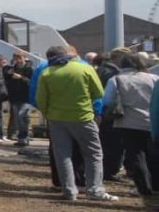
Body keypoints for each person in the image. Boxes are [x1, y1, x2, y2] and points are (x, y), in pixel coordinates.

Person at [36, 45, 116, 201]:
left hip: (56, 119)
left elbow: (41, 100)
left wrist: (48, 114)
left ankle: (69, 191)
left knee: (63, 155)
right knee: (93, 154)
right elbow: (99, 93)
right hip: (83, 117)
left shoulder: (46, 73)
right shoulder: (85, 69)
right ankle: (95, 190)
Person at [101, 53, 157, 197]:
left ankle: (143, 187)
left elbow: (107, 101)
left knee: (136, 154)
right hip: (152, 121)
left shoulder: (117, 79)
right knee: (152, 154)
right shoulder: (154, 78)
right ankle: (155, 184)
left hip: (128, 122)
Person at [96, 47, 129, 180]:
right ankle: (109, 171)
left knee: (105, 143)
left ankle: (105, 170)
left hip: (102, 112)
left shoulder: (101, 70)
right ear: (118, 58)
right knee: (114, 144)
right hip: (111, 113)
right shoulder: (112, 73)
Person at [4, 52, 34, 146]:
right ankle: (22, 137)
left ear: (24, 58)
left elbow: (31, 82)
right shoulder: (12, 69)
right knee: (18, 118)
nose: (18, 60)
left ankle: (24, 136)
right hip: (15, 97)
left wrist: (21, 77)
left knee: (22, 115)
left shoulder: (29, 69)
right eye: (16, 59)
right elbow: (6, 81)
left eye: (20, 58)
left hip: (26, 97)